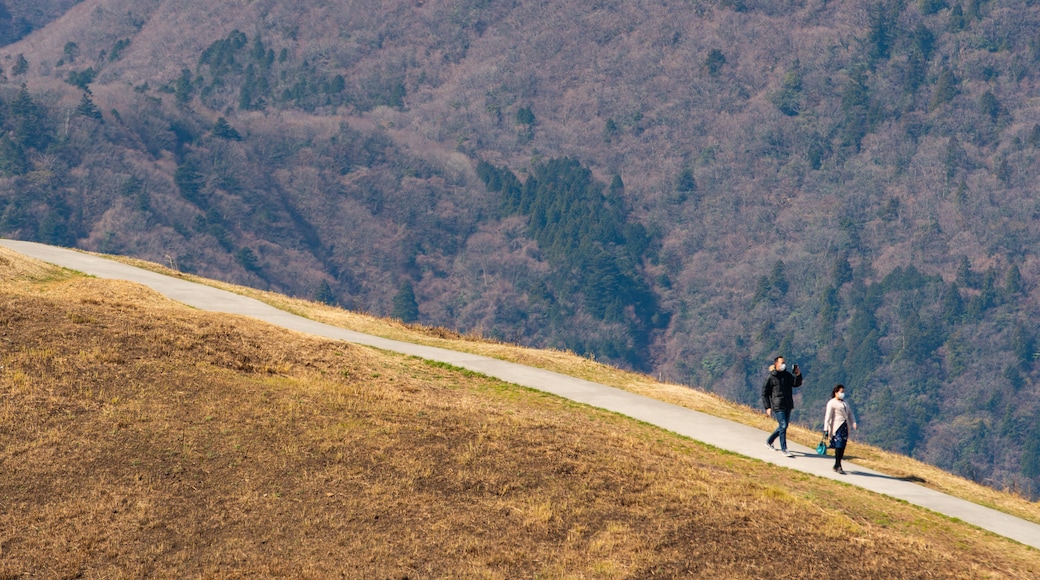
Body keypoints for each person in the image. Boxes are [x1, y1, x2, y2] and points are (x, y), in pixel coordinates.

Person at [762, 355, 802, 457]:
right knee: (783, 425)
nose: (784, 364)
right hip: (778, 404)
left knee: (783, 426)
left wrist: (798, 375)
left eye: (784, 363)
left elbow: (796, 384)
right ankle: (784, 449)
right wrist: (768, 407)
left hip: (787, 404)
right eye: (782, 363)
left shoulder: (787, 375)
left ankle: (769, 441)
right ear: (776, 364)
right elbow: (765, 393)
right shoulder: (771, 377)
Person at [823, 384, 858, 474]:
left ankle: (837, 464)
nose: (843, 394)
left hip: (845, 427)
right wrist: (826, 428)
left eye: (843, 392)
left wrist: (853, 422)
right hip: (836, 427)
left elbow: (850, 413)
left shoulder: (845, 402)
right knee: (838, 445)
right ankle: (838, 465)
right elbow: (828, 416)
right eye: (841, 392)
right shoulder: (832, 403)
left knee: (843, 446)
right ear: (836, 392)